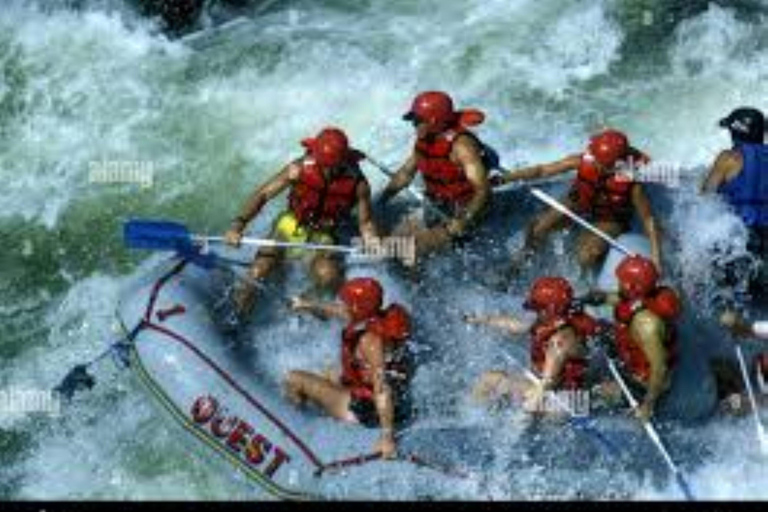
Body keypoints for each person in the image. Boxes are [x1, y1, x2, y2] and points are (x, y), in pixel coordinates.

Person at [223, 127, 378, 327]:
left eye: (331, 165)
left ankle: (300, 306)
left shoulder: (358, 184)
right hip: (289, 227)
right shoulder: (299, 168)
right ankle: (236, 321)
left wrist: (371, 238)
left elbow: (366, 222)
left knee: (328, 276)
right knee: (256, 272)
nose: (326, 169)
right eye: (322, 163)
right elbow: (263, 194)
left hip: (323, 238)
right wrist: (238, 225)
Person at [497, 130, 663, 276]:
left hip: (609, 218)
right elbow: (542, 170)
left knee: (587, 255)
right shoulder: (582, 160)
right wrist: (506, 178)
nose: (594, 162)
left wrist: (656, 260)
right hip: (578, 203)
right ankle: (521, 263)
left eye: (600, 162)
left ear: (615, 166)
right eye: (595, 158)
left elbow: (648, 220)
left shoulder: (632, 181)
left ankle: (581, 281)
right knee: (537, 227)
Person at [284, 277, 412, 459]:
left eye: (347, 303)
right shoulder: (379, 319)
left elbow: (382, 388)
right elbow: (339, 312)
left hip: (365, 411)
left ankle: (296, 429)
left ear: (356, 309)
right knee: (330, 371)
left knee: (294, 379)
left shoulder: (370, 341)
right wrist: (306, 304)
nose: (342, 305)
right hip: (393, 402)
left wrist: (387, 436)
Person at [378, 91, 492, 260]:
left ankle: (418, 286)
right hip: (438, 207)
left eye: (417, 121)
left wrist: (464, 220)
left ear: (434, 121)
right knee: (387, 244)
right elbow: (405, 174)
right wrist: (382, 201)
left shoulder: (462, 147)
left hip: (466, 213)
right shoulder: (424, 140)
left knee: (408, 251)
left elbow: (483, 191)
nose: (414, 125)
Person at [466, 276, 601, 414]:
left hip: (571, 402)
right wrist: (483, 320)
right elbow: (515, 324)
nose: (535, 312)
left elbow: (545, 386)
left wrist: (515, 427)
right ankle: (472, 417)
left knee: (530, 400)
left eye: (539, 308)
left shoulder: (560, 342)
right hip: (551, 392)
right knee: (489, 379)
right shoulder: (548, 322)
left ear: (550, 311)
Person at [583, 255, 681, 421]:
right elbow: (625, 299)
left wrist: (648, 405)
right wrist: (598, 299)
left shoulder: (646, 326)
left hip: (640, 384)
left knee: (592, 395)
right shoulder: (652, 294)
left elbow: (660, 368)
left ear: (631, 287)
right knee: (593, 327)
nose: (617, 282)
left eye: (621, 280)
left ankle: (552, 403)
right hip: (630, 350)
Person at [701, 107, 768, 305]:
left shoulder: (728, 158)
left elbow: (706, 194)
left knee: (728, 289)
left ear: (735, 133)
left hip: (740, 234)